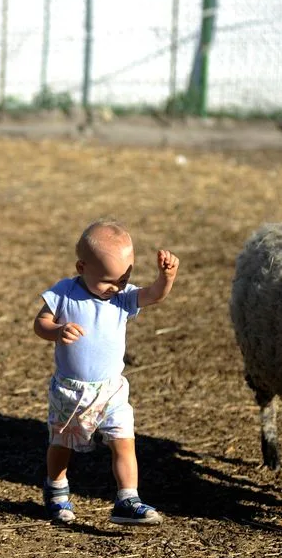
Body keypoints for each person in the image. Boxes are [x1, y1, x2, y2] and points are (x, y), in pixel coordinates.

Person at [33, 219, 179, 525]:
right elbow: (40, 323)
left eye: (124, 279)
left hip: (112, 390)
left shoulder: (123, 298)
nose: (116, 287)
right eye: (108, 281)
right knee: (61, 443)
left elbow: (154, 294)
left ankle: (128, 498)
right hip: (70, 391)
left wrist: (166, 277)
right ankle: (56, 488)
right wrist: (57, 330)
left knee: (124, 440)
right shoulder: (65, 292)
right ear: (82, 267)